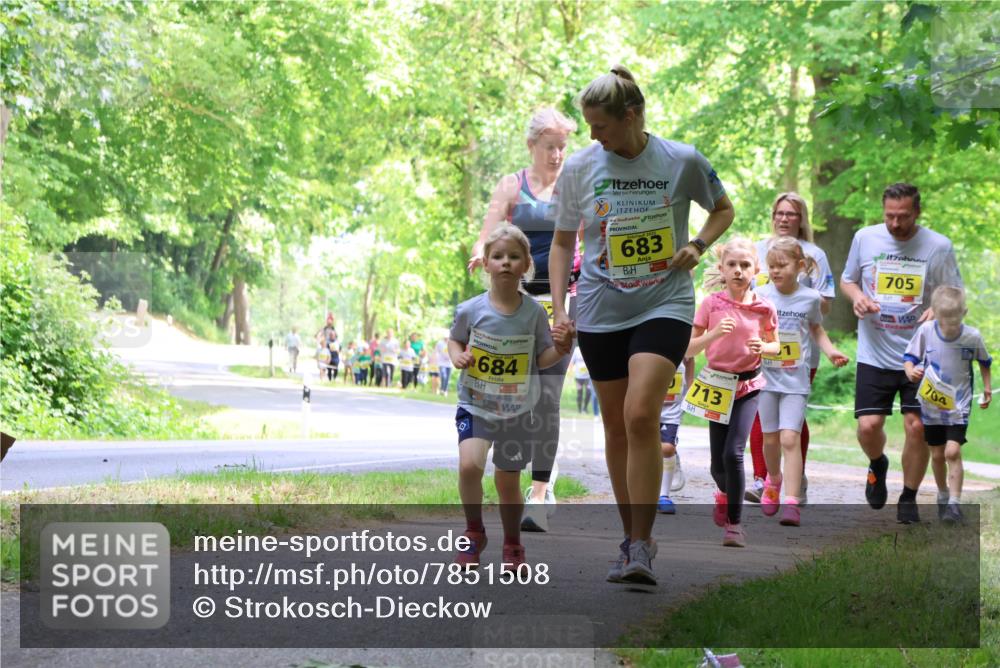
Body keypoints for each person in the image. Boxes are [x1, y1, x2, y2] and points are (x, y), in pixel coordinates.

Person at [548, 66, 735, 584]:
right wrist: (561, 309)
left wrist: (697, 245)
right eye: (589, 126)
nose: (593, 136)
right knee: (615, 423)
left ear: (630, 116)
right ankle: (632, 536)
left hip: (663, 302)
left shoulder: (681, 160)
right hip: (601, 307)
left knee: (640, 414)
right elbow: (563, 243)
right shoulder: (580, 168)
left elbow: (723, 209)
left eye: (600, 126)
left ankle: (640, 545)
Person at [468, 106, 580, 528]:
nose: (557, 155)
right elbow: (488, 233)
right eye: (549, 146)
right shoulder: (511, 185)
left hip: (563, 301)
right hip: (516, 303)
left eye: (562, 147)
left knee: (548, 396)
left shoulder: (574, 187)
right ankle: (517, 474)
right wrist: (480, 253)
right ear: (532, 145)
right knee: (516, 392)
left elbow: (590, 239)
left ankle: (540, 492)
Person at [449, 225, 572, 571]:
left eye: (514, 257)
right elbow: (455, 339)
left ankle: (513, 543)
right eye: (498, 256)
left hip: (517, 410)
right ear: (486, 263)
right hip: (476, 404)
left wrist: (561, 349)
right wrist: (458, 356)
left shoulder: (534, 313)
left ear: (526, 265)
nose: (506, 262)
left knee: (507, 481)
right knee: (469, 465)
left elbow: (542, 358)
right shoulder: (470, 309)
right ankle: (474, 531)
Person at [841, 183, 963, 524]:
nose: (895, 224)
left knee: (917, 427)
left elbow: (955, 292)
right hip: (875, 351)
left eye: (903, 217)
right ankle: (877, 463)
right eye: (889, 216)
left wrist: (939, 309)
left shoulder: (938, 246)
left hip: (923, 354)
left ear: (917, 212)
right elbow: (848, 280)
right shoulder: (865, 238)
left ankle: (908, 496)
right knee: (869, 426)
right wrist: (857, 298)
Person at [686, 238, 778, 547]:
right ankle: (724, 494)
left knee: (733, 453)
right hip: (717, 385)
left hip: (749, 385)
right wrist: (713, 334)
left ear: (756, 270)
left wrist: (763, 346)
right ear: (722, 269)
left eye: (745, 265)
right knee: (717, 464)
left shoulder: (764, 307)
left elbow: (776, 345)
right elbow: (689, 348)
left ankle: (735, 526)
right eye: (732, 265)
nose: (738, 270)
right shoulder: (711, 304)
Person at [746, 193, 835, 504]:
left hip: (800, 353)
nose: (784, 219)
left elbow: (824, 305)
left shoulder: (815, 255)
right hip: (763, 352)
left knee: (793, 421)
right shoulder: (757, 249)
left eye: (791, 214)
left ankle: (797, 479)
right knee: (761, 417)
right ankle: (763, 479)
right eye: (779, 213)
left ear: (802, 219)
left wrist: (796, 298)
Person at [755, 238, 849, 526]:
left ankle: (792, 502)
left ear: (799, 266)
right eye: (771, 266)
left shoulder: (810, 298)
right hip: (766, 378)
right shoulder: (760, 295)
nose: (775, 271)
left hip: (795, 379)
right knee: (770, 439)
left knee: (789, 438)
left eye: (782, 265)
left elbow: (816, 329)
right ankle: (773, 479)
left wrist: (831, 352)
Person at [903, 286, 992, 524]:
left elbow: (985, 361)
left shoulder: (972, 336)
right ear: (935, 313)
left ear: (964, 313)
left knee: (952, 451)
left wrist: (987, 388)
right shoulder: (926, 331)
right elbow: (910, 358)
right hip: (931, 405)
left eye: (955, 321)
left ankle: (954, 504)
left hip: (959, 404)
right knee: (937, 454)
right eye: (945, 321)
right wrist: (911, 371)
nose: (950, 326)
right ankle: (942, 495)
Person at [657, 357, 694, 515]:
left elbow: (689, 358)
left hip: (671, 406)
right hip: (645, 400)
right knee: (644, 446)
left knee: (667, 448)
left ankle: (663, 495)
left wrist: (690, 385)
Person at [570, 347, 592, 414]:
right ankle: (579, 409)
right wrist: (570, 372)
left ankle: (585, 408)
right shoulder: (576, 350)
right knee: (580, 393)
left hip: (588, 376)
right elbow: (572, 362)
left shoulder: (589, 349)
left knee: (588, 392)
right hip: (578, 376)